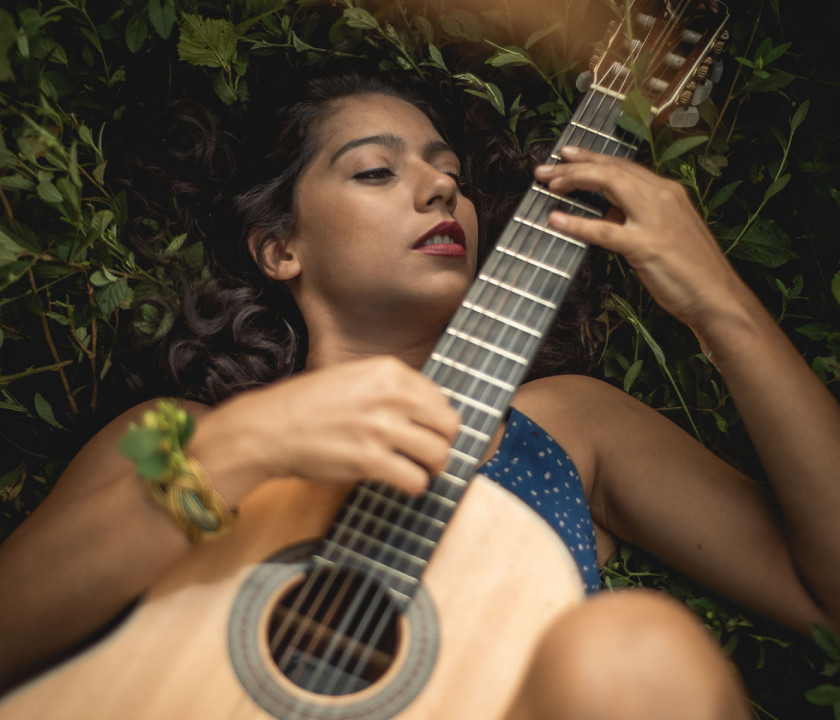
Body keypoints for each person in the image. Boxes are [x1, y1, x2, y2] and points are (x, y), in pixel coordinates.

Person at [0, 69, 838, 719]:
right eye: (375, 170)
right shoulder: (180, 436)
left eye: (452, 174)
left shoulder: (572, 425)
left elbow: (826, 600)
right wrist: (241, 449)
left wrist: (719, 303)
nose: (440, 188)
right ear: (281, 249)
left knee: (638, 653)